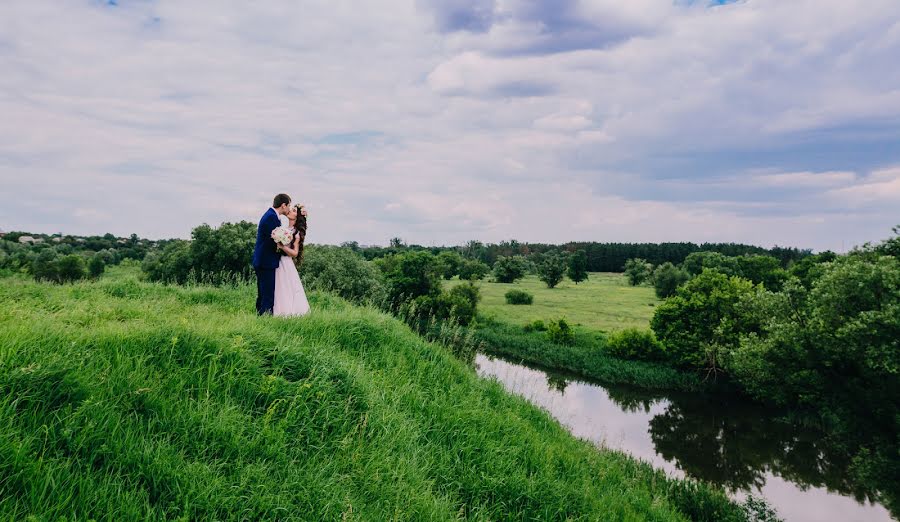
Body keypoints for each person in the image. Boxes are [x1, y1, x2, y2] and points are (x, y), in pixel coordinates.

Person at [252, 193, 291, 315]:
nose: (289, 209)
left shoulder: (272, 215)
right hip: (266, 261)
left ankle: (260, 316)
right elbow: (272, 241)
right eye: (289, 206)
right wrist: (283, 244)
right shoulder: (271, 217)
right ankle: (265, 318)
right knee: (267, 293)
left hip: (263, 260)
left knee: (263, 293)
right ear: (283, 205)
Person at [273, 203, 310, 317]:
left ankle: (287, 313)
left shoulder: (296, 233)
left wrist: (282, 246)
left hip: (286, 262)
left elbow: (295, 253)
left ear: (297, 216)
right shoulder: (283, 229)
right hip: (278, 261)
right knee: (278, 288)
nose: (290, 211)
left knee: (286, 287)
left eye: (294, 211)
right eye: (291, 209)